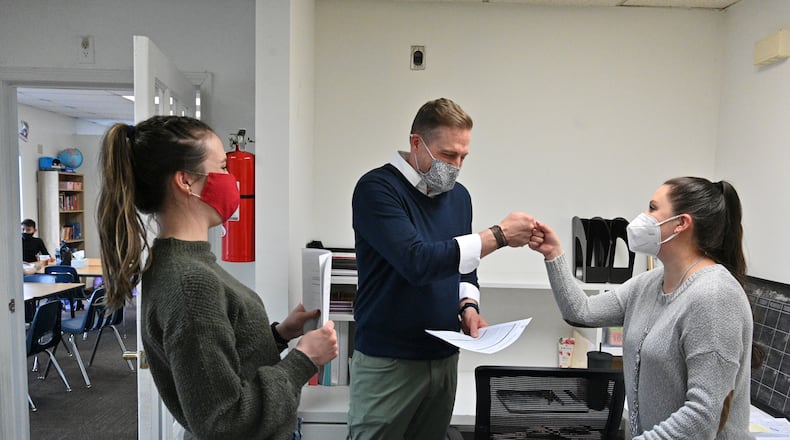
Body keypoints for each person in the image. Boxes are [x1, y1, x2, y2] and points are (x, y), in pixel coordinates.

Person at [96, 115, 338, 440]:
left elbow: (217, 363)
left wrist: (278, 335)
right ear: (185, 181)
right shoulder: (190, 283)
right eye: (223, 167)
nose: (232, 180)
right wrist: (303, 359)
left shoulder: (184, 263)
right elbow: (224, 422)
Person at [348, 97, 536, 439]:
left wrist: (468, 306)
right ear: (416, 143)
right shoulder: (377, 189)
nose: (456, 165)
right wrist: (498, 236)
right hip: (388, 362)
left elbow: (465, 266)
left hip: (445, 358)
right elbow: (416, 261)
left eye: (463, 157)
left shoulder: (459, 197)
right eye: (448, 155)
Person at [528, 176, 763, 439]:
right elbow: (581, 311)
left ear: (681, 223)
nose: (642, 216)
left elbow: (703, 417)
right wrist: (553, 254)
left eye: (652, 208)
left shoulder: (714, 296)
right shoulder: (649, 284)